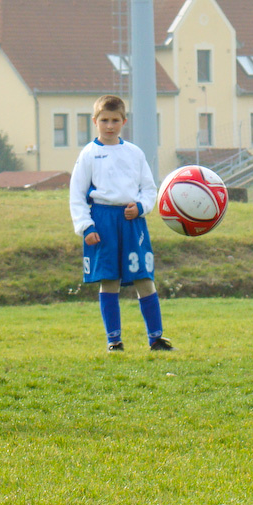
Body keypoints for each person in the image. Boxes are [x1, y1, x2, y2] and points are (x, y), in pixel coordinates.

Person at [70, 95, 172, 352]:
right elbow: (77, 194)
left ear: (124, 121)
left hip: (132, 223)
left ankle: (156, 338)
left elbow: (149, 190)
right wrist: (86, 227)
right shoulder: (89, 155)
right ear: (95, 121)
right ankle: (114, 340)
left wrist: (140, 207)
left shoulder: (134, 153)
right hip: (102, 222)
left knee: (144, 278)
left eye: (115, 120)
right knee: (109, 279)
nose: (109, 126)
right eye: (104, 120)